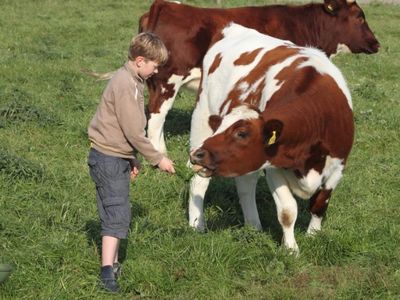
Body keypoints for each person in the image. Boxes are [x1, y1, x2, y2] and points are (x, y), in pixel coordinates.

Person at [87, 32, 175, 293]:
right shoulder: (126, 84)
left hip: (114, 156)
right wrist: (158, 159)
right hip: (108, 159)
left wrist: (131, 158)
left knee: (115, 209)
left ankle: (112, 264)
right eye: (154, 65)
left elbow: (124, 131)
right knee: (117, 213)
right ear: (140, 61)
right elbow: (133, 132)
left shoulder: (132, 80)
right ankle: (107, 273)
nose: (156, 70)